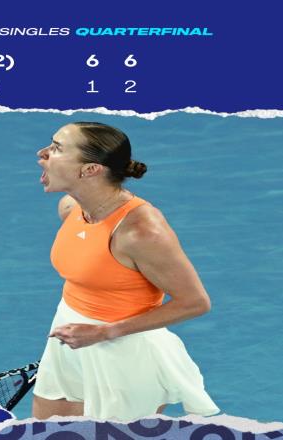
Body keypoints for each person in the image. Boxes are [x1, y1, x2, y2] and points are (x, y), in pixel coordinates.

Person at [32, 121, 219, 421]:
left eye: (56, 148)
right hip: (70, 339)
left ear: (90, 169)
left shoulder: (141, 232)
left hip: (125, 353)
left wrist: (103, 332)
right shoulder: (71, 208)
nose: (42, 153)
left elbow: (196, 302)